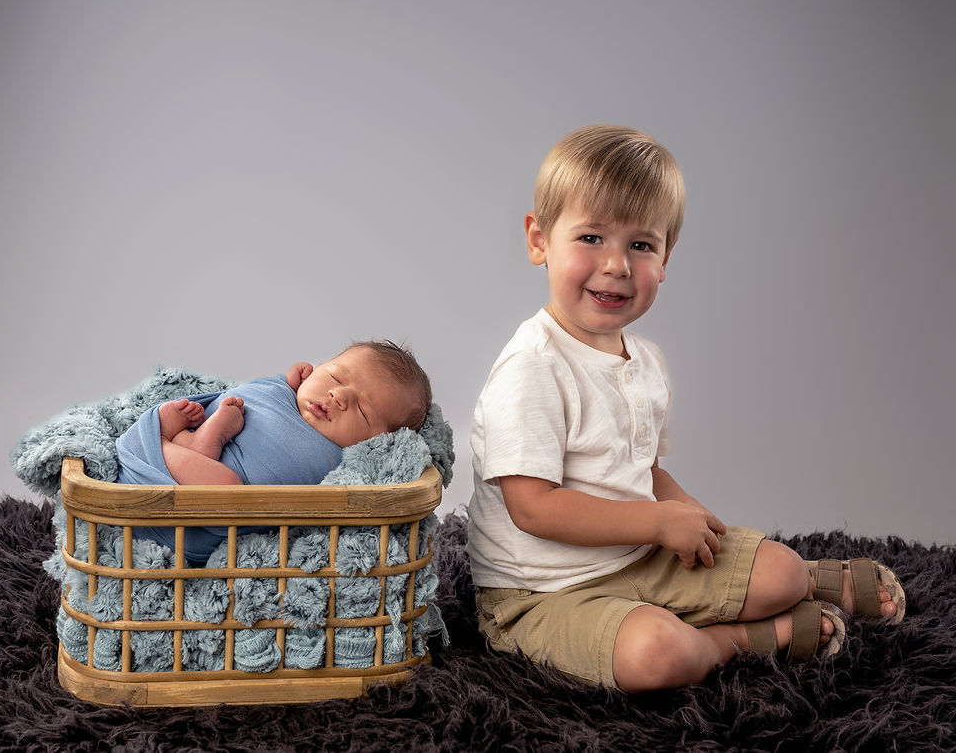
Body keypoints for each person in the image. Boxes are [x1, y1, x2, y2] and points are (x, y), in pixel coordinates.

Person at [466, 125, 906, 694]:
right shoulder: (532, 367)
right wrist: (656, 520)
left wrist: (694, 520)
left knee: (781, 569)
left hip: (637, 556)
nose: (617, 265)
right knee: (656, 653)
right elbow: (532, 508)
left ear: (666, 257)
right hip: (542, 592)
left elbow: (643, 472)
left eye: (641, 245)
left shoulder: (645, 362)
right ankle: (735, 640)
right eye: (592, 238)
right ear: (539, 240)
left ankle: (808, 582)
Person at [116, 340, 432, 562]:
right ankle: (185, 442)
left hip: (191, 521)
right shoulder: (281, 393)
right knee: (172, 414)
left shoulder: (343, 463)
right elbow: (257, 392)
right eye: (335, 376)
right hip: (147, 471)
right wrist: (290, 382)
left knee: (226, 493)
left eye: (363, 410)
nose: (338, 395)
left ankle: (179, 444)